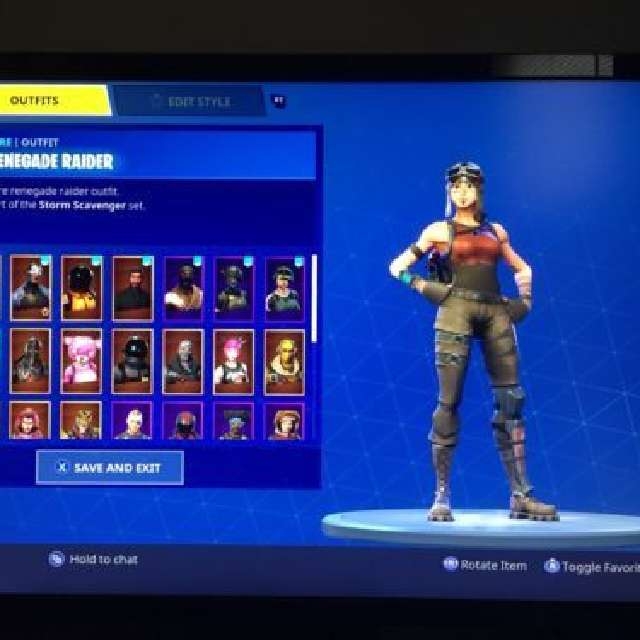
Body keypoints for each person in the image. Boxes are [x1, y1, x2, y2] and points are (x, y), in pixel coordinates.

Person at [388, 161, 558, 522]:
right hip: (456, 311)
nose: (462, 193)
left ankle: (521, 495)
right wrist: (423, 286)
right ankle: (441, 496)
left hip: (495, 312)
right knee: (448, 402)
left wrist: (525, 300)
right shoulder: (438, 230)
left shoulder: (496, 231)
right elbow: (397, 267)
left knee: (511, 401)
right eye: (456, 187)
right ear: (449, 191)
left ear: (479, 190)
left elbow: (522, 268)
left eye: (469, 187)